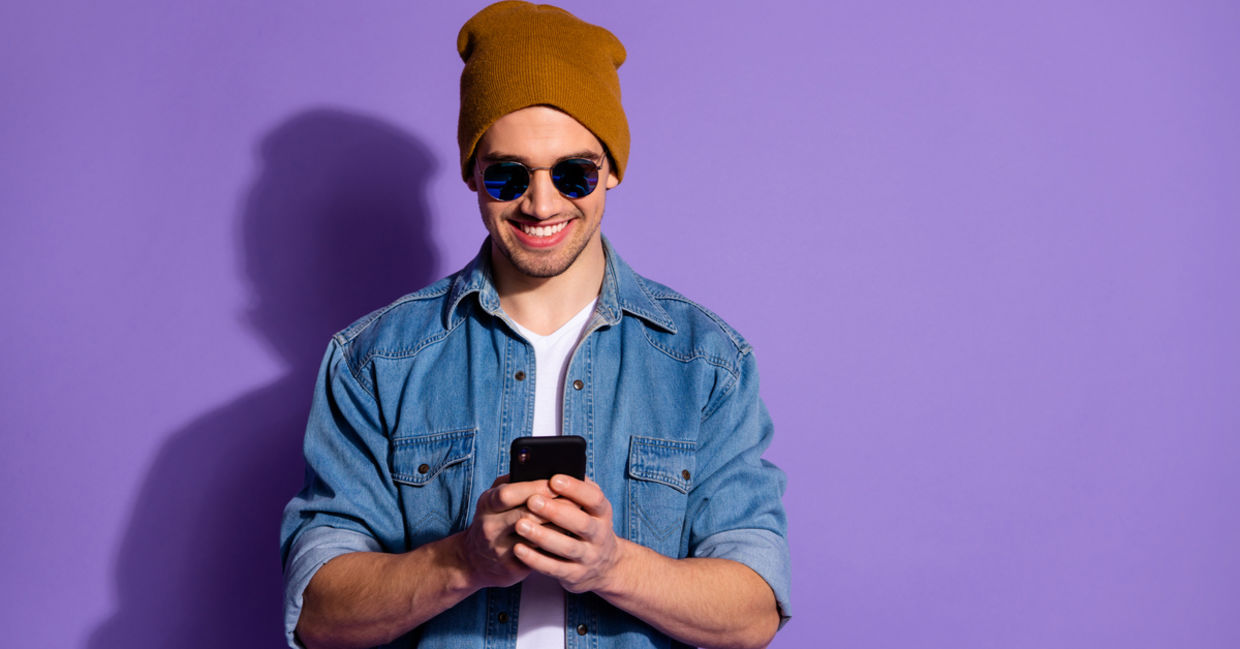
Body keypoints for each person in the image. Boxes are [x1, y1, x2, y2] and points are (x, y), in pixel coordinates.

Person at [280, 3, 791, 648]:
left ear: (610, 170)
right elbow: (318, 614)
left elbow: (752, 614)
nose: (542, 203)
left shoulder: (706, 362)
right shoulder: (374, 361)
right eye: (508, 174)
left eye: (573, 173)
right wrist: (463, 560)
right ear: (471, 173)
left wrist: (611, 566)